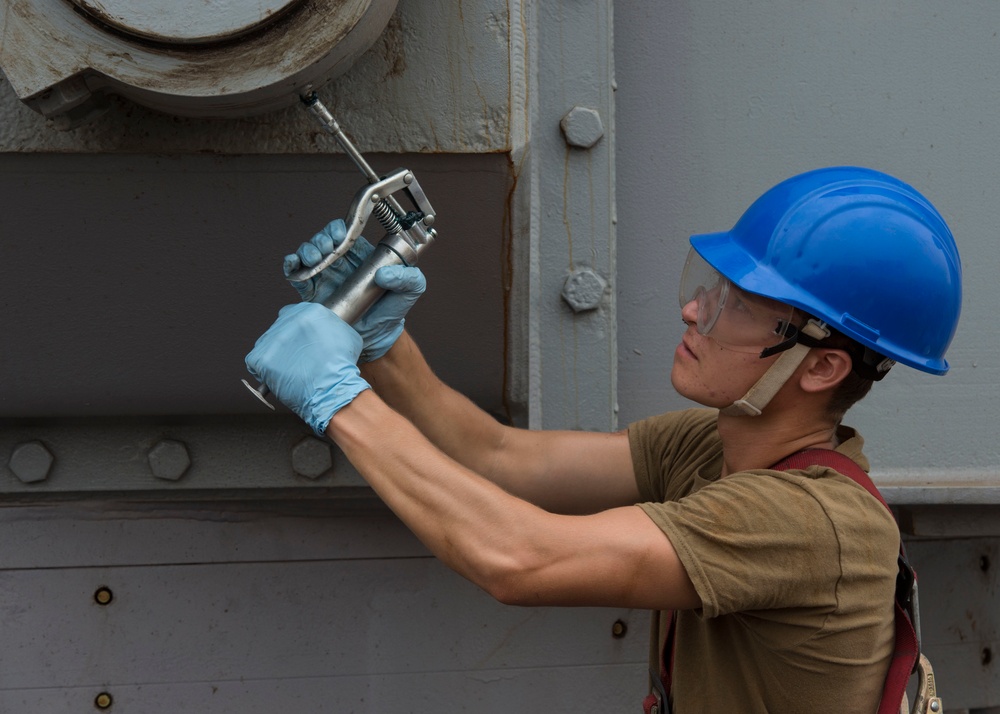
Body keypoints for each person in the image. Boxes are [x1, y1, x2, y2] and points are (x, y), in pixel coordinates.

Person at [246, 166, 962, 712]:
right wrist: (381, 345)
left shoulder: (806, 521)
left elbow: (518, 559)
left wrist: (340, 400)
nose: (692, 310)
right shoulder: (714, 448)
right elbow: (501, 458)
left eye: (734, 306)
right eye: (709, 286)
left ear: (823, 365)